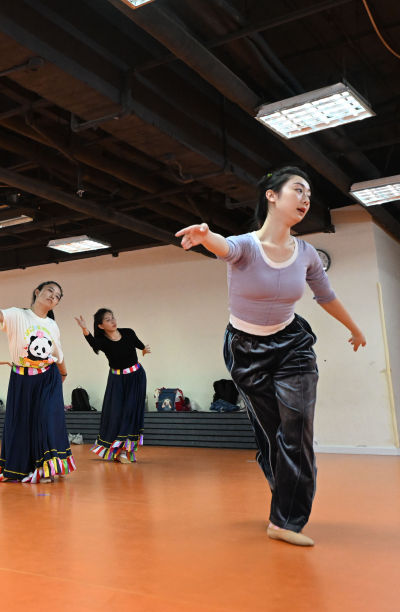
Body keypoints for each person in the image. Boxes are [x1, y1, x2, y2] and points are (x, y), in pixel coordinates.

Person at [175, 165, 366, 547]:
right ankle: (283, 490)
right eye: (298, 190)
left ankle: (285, 521)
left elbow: (326, 296)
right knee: (271, 434)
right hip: (245, 350)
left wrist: (354, 328)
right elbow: (225, 248)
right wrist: (206, 236)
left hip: (292, 345)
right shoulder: (246, 246)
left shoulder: (306, 254)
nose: (306, 199)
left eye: (309, 193)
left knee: (297, 429)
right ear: (272, 196)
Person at [0, 281, 74, 483]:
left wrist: (63, 373)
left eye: (57, 296)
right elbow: (0, 315)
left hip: (47, 377)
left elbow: (58, 353)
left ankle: (46, 468)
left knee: (46, 419)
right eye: (50, 291)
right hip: (21, 379)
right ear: (37, 292)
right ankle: (22, 467)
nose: (53, 296)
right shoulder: (18, 315)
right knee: (21, 423)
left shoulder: (52, 325)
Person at [75, 309, 150, 464]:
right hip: (117, 380)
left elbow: (139, 345)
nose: (113, 321)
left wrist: (144, 350)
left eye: (113, 318)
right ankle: (116, 450)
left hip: (136, 377)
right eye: (108, 320)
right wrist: (84, 329)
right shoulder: (102, 341)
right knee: (116, 413)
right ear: (101, 326)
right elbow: (93, 343)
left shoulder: (128, 332)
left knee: (131, 412)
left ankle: (125, 451)